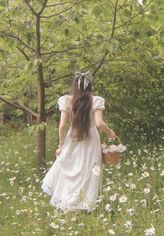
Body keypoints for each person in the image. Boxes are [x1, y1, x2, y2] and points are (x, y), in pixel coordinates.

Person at [41, 71, 116, 212]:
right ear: (89, 86)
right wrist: (110, 132)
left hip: (73, 138)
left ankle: (66, 203)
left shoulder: (67, 100)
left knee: (70, 169)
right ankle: (85, 205)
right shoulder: (96, 100)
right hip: (91, 140)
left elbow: (63, 125)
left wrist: (61, 146)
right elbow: (99, 123)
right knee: (88, 171)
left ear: (75, 86)